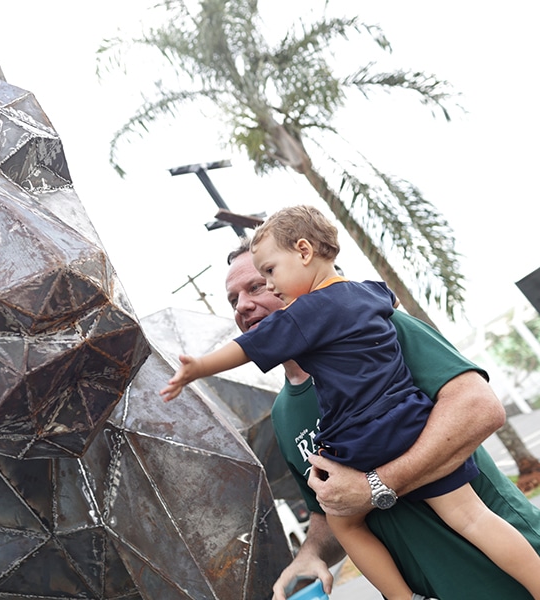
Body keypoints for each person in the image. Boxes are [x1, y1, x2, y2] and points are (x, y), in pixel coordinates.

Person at [161, 205, 540, 600]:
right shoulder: (285, 415)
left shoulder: (384, 328)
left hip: (508, 580)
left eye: (259, 283)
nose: (243, 305)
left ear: (303, 257)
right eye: (232, 300)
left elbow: (481, 408)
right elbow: (331, 509)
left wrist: (376, 486)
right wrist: (309, 553)